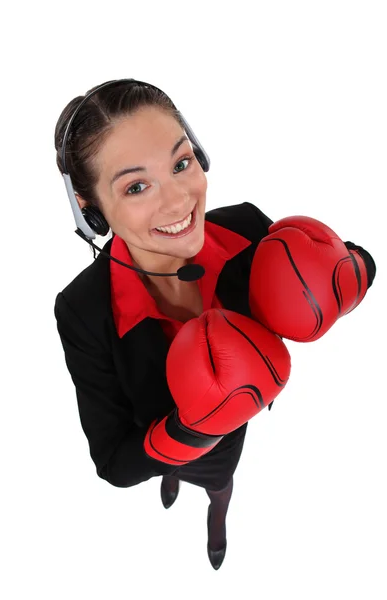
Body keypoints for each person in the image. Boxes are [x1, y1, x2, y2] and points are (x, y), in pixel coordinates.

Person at [53, 79, 376, 570]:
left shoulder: (246, 227)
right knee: (170, 466)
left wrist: (346, 279)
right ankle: (171, 476)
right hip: (163, 434)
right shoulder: (81, 308)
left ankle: (217, 521)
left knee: (219, 482)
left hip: (227, 438)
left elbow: (355, 260)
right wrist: (189, 432)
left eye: (182, 163)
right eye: (136, 186)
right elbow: (115, 463)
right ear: (90, 210)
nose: (180, 200)